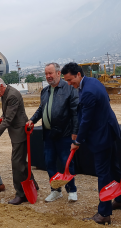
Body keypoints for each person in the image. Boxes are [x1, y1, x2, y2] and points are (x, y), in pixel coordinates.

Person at [61, 62, 121, 225]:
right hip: (108, 130)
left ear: (78, 74)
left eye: (70, 80)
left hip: (101, 135)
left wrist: (77, 141)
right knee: (114, 168)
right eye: (66, 81)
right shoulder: (93, 82)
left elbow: (87, 120)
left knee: (103, 172)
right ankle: (120, 200)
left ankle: (104, 213)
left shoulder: (88, 91)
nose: (69, 84)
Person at [27, 63, 79, 202]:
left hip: (65, 134)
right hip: (48, 135)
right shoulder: (45, 91)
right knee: (49, 163)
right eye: (46, 74)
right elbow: (41, 109)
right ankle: (55, 190)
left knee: (66, 162)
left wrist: (75, 132)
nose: (48, 76)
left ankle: (72, 190)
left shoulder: (69, 89)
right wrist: (32, 120)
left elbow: (75, 113)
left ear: (58, 73)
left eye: (50, 73)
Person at [0, 77, 38, 205]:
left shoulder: (12, 95)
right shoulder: (5, 93)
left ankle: (21, 194)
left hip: (19, 132)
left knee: (16, 163)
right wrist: (2, 116)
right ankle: (33, 185)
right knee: (20, 161)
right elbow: (8, 114)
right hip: (16, 131)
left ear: (1, 86)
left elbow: (9, 119)